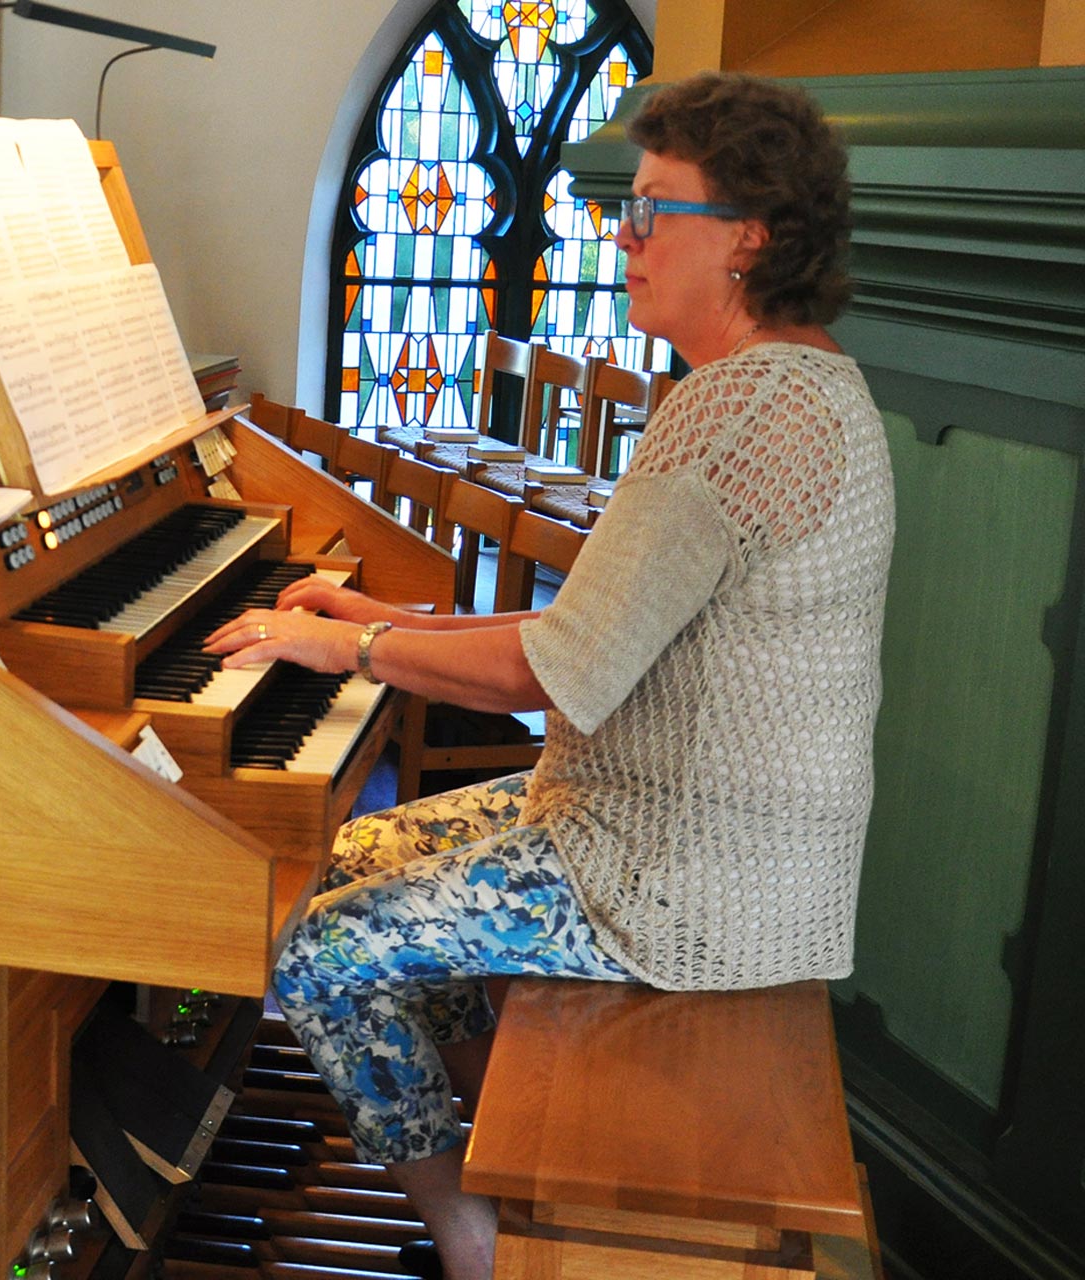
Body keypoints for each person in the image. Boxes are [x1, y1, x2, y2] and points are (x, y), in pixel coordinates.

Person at [204, 72, 892, 1280]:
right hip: (655, 828)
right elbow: (601, 623)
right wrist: (385, 609)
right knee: (352, 854)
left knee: (313, 949)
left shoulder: (740, 409)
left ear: (751, 235)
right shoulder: (789, 383)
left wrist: (348, 645)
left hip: (683, 878)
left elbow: (557, 672)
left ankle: (471, 1236)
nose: (619, 237)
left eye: (652, 211)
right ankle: (507, 1151)